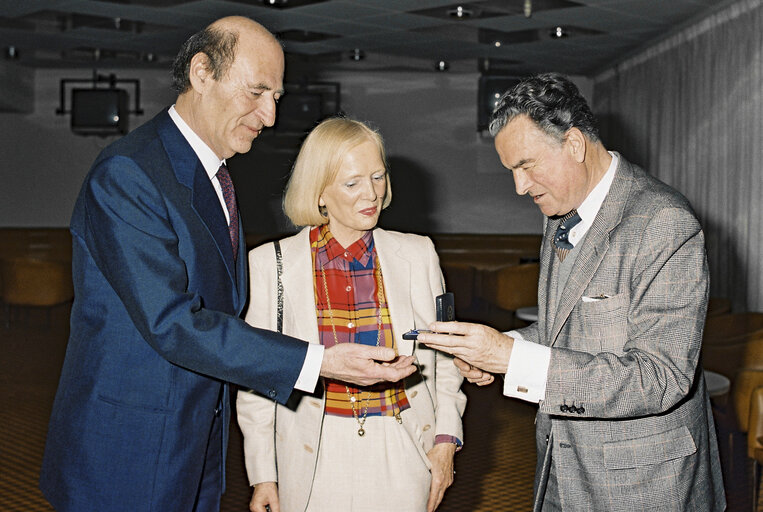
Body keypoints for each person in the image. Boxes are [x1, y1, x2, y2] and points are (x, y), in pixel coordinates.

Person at [39, 17, 415, 512]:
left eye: (276, 97)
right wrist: (317, 360)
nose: (271, 115)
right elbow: (173, 323)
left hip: (193, 444)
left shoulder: (214, 175)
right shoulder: (129, 173)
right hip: (127, 449)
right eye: (258, 92)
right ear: (202, 73)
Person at [419, 73, 726, 511]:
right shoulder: (561, 212)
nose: (520, 187)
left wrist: (512, 359)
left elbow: (661, 378)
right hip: (561, 467)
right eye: (512, 171)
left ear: (576, 145)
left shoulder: (663, 223)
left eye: (526, 166)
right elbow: (566, 327)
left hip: (642, 485)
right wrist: (507, 346)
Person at [236, 117, 466, 512]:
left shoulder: (417, 254)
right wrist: (263, 475)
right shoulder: (270, 265)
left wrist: (446, 441)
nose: (371, 194)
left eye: (378, 177)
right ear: (320, 192)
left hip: (403, 443)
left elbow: (445, 361)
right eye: (352, 182)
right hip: (313, 449)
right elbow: (259, 378)